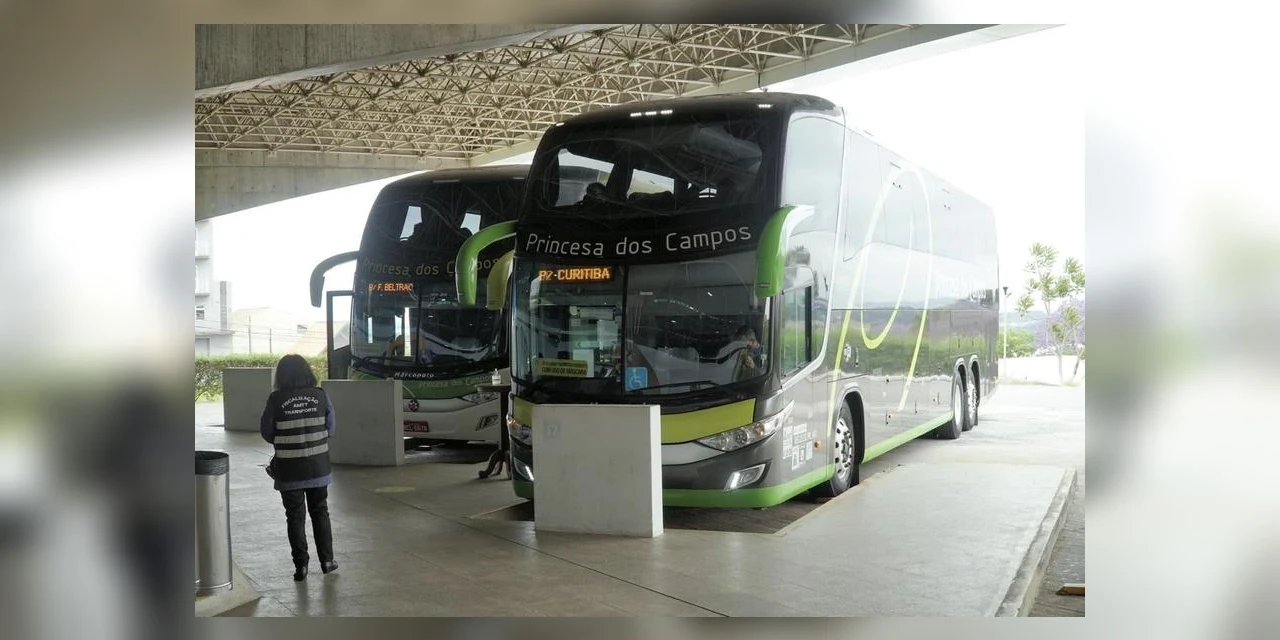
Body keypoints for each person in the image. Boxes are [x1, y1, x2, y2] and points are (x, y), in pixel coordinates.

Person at [260, 354, 338, 581]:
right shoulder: (321, 395)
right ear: (307, 372)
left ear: (281, 375)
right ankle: (327, 561)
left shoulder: (276, 399)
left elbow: (267, 432)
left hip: (289, 470)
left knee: (294, 517)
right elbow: (331, 429)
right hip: (318, 468)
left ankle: (301, 566)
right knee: (320, 511)